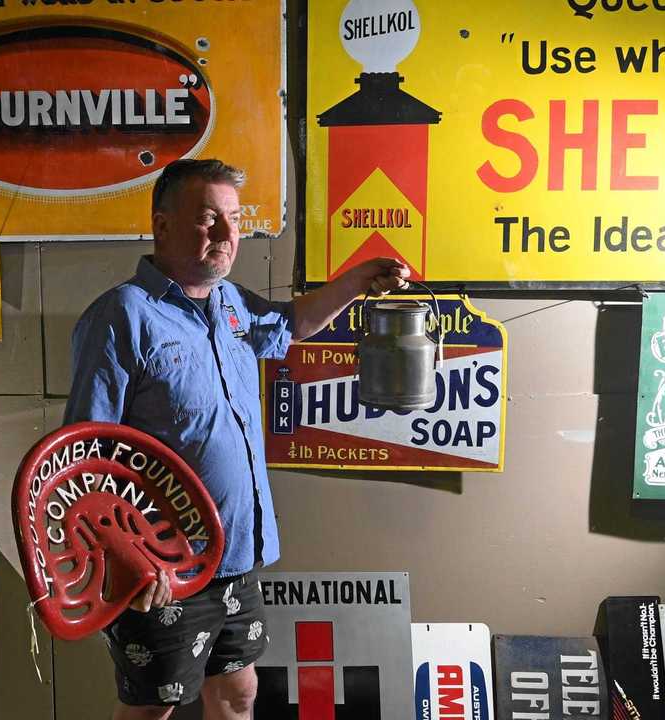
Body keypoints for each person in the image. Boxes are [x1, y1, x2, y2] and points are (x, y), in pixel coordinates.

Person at [64, 158, 409, 720]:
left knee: (239, 691)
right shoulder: (122, 317)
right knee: (154, 709)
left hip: (236, 555)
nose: (227, 236)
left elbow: (294, 323)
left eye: (234, 219)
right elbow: (82, 458)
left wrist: (356, 279)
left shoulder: (232, 304)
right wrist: (128, 559)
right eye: (208, 220)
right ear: (163, 225)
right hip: (164, 565)